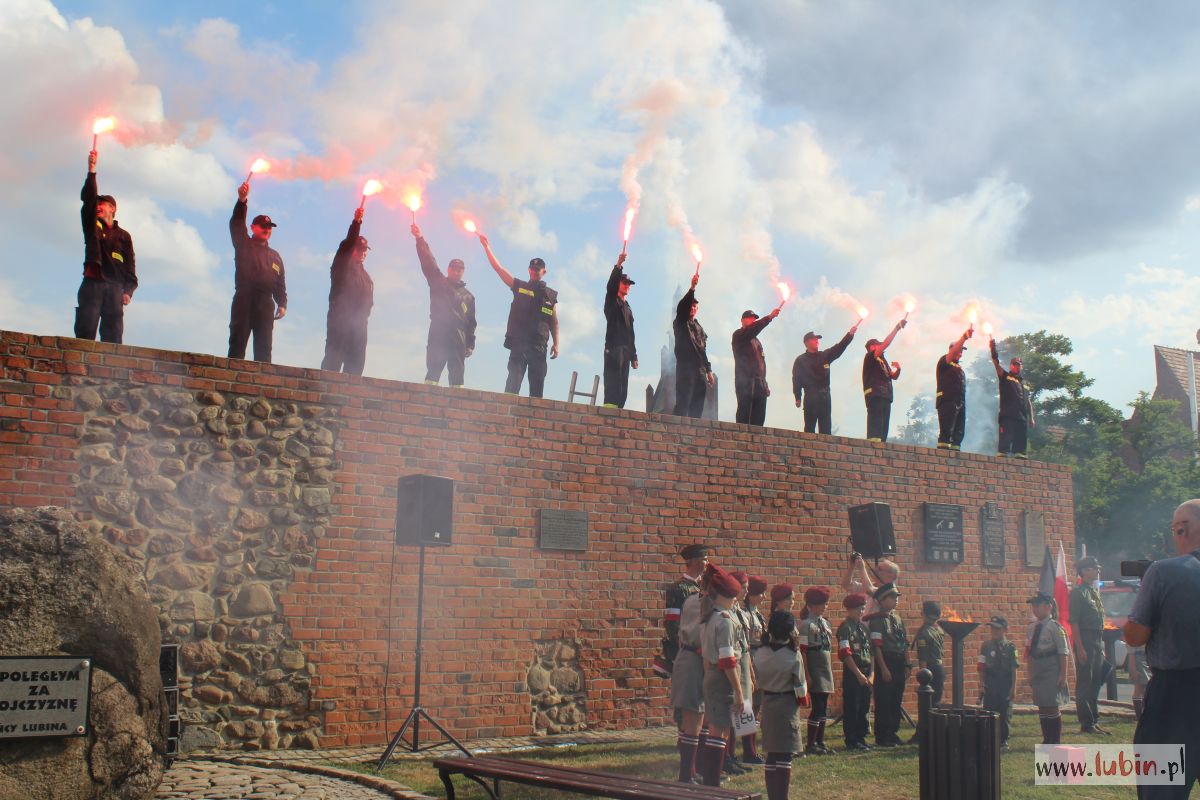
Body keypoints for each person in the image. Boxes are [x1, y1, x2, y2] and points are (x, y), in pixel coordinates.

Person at [1124, 498, 1200, 799]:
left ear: (1183, 529)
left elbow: (1136, 635)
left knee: (1162, 790)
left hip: (1175, 697)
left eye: (1175, 529)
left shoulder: (1163, 572)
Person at [479, 236, 558, 397]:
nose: (534, 271)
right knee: (512, 387)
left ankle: (534, 421)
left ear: (544, 271)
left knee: (536, 392)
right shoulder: (519, 286)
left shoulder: (550, 296)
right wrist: (487, 246)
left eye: (538, 269)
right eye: (532, 268)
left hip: (539, 347)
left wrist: (556, 344)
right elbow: (499, 269)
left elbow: (554, 322)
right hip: (519, 344)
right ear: (529, 270)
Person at [76, 149, 137, 344]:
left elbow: (130, 267)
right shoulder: (91, 225)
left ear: (113, 208)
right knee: (86, 330)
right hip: (93, 283)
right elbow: (88, 200)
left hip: (114, 290)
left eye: (103, 203)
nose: (98, 206)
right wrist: (92, 170)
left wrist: (128, 291)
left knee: (113, 336)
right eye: (97, 203)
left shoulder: (124, 236)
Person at [699, 564, 748, 786]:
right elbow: (728, 660)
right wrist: (738, 691)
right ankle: (712, 778)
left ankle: (711, 774)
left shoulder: (710, 617)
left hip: (712, 673)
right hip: (723, 677)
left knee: (719, 728)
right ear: (727, 596)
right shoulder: (725, 621)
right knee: (720, 730)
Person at [228, 181, 286, 362]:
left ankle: (262, 386)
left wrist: (282, 303)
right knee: (237, 344)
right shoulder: (243, 244)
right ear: (253, 228)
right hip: (244, 299)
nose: (266, 230)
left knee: (264, 349)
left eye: (269, 228)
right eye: (263, 226)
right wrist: (242, 200)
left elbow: (280, 283)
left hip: (265, 303)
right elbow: (237, 223)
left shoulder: (275, 257)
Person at [753, 611, 808, 800]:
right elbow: (800, 688)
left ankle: (772, 796)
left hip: (767, 702)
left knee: (771, 754)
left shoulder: (760, 652)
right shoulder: (793, 655)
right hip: (786, 704)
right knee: (785, 755)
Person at [412, 224, 476, 386]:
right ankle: (427, 404)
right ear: (448, 269)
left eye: (460, 268)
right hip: (439, 332)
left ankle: (456, 409)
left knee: (457, 376)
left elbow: (471, 322)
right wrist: (420, 239)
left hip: (459, 336)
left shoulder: (469, 296)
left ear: (464, 271)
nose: (456, 271)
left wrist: (470, 343)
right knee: (433, 371)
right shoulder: (438, 282)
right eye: (453, 268)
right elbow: (428, 262)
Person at [669, 547, 710, 784]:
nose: (707, 561)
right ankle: (687, 765)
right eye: (704, 558)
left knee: (700, 711)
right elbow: (672, 622)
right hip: (687, 652)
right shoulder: (680, 589)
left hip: (701, 652)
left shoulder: (701, 589)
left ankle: (697, 765)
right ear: (693, 561)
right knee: (687, 710)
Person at [320, 208, 374, 375]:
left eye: (365, 250)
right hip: (340, 321)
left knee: (356, 364)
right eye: (359, 249)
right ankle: (325, 395)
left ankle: (349, 398)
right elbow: (347, 245)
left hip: (359, 326)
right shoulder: (341, 266)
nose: (363, 252)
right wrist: (356, 223)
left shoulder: (366, 276)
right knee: (333, 361)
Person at [791, 323, 860, 434]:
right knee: (809, 429)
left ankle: (825, 450)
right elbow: (796, 379)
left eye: (818, 339)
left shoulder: (824, 356)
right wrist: (797, 396)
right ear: (807, 342)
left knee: (826, 429)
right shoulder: (800, 360)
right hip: (811, 396)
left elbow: (839, 347)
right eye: (814, 339)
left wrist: (850, 334)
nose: (817, 341)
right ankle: (808, 450)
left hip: (825, 397)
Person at [1068, 555, 1109, 734]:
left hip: (1097, 640)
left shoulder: (1092, 591)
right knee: (1085, 682)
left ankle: (1094, 718)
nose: (1097, 570)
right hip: (1085, 639)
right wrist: (1080, 647)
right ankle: (1086, 722)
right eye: (1094, 567)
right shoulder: (1078, 592)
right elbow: (1074, 622)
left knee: (1096, 680)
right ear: (1084, 571)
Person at [1026, 592, 1069, 744]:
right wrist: (1029, 672)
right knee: (1042, 705)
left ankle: (1055, 739)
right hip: (1038, 667)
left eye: (1038, 605)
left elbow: (1063, 652)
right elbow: (1029, 652)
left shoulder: (1055, 627)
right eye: (1033, 606)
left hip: (1051, 667)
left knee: (1051, 705)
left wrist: (1063, 675)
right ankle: (1046, 738)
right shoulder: (1032, 628)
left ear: (1049, 606)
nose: (1034, 609)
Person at [868, 582, 909, 747]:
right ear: (882, 600)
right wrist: (883, 668)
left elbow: (904, 642)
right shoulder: (877, 620)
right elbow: (877, 646)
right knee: (884, 699)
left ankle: (893, 732)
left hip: (899, 660)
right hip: (886, 659)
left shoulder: (897, 618)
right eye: (892, 597)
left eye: (896, 597)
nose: (895, 600)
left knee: (896, 698)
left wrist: (908, 663)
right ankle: (883, 735)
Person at [798, 587, 834, 756]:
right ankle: (811, 743)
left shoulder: (825, 623)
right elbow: (803, 650)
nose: (824, 607)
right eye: (821, 604)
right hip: (814, 664)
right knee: (818, 705)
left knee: (823, 705)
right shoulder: (805, 624)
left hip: (825, 664)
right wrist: (807, 673)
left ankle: (820, 740)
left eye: (825, 604)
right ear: (811, 605)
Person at [732, 306, 781, 426]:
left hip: (759, 383)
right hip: (745, 381)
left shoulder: (757, 342)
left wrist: (765, 383)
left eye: (754, 319)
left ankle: (757, 442)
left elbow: (761, 364)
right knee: (744, 413)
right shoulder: (739, 335)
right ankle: (741, 440)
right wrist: (769, 317)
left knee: (759, 416)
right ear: (742, 320)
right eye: (749, 318)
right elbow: (752, 330)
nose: (752, 321)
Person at [673, 274, 713, 418]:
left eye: (695, 306)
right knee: (683, 404)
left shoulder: (700, 328)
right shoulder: (681, 321)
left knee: (697, 407)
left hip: (700, 372)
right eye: (690, 305)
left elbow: (703, 350)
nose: (692, 308)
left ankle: (694, 436)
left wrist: (708, 371)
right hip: (686, 369)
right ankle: (675, 434)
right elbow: (682, 307)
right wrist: (692, 288)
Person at [837, 593, 873, 752]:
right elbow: (845, 653)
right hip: (854, 671)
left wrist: (871, 674)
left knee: (864, 706)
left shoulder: (864, 628)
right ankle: (851, 739)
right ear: (850, 609)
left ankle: (861, 736)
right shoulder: (845, 628)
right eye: (858, 609)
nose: (861, 611)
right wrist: (858, 674)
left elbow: (871, 652)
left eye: (863, 608)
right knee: (853, 706)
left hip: (866, 671)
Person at [861, 320, 907, 442]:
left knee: (883, 430)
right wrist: (897, 328)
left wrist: (898, 369)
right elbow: (887, 343)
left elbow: (893, 376)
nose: (881, 347)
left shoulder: (883, 360)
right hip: (875, 395)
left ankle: (881, 448)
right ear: (872, 347)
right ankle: (872, 449)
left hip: (886, 395)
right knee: (875, 429)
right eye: (878, 345)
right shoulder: (870, 357)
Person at [977, 615, 1018, 749]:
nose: (994, 631)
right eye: (992, 628)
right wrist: (982, 684)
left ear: (1005, 630)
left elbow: (1013, 668)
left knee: (1004, 711)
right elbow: (981, 666)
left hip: (1005, 682)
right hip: (991, 681)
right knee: (989, 710)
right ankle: (989, 738)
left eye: (997, 629)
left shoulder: (1010, 647)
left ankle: (1003, 740)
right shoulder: (986, 646)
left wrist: (1013, 687)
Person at [989, 339, 1035, 457]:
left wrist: (1031, 418)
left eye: (1019, 365)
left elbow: (1028, 400)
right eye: (1015, 364)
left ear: (1021, 367)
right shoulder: (1006, 377)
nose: (1017, 367)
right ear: (1011, 365)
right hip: (1008, 415)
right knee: (1004, 447)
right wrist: (993, 350)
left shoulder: (1024, 382)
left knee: (1020, 451)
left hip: (1022, 417)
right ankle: (1002, 455)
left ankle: (1019, 457)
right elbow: (996, 364)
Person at [602, 253, 637, 407]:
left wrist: (634, 355)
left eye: (629, 284)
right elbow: (610, 286)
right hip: (613, 348)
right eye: (624, 282)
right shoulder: (611, 300)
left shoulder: (628, 308)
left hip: (626, 352)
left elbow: (631, 334)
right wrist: (618, 265)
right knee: (612, 387)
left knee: (623, 389)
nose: (627, 285)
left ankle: (619, 419)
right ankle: (608, 417)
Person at [742, 576, 769, 766]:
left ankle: (751, 747)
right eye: (760, 593)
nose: (763, 597)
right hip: (751, 657)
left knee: (756, 705)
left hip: (760, 659)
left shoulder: (757, 613)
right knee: (747, 707)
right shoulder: (745, 612)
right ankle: (747, 749)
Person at [935, 328, 973, 450]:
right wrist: (964, 337)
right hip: (947, 401)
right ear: (951, 350)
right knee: (946, 431)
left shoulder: (959, 368)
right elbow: (950, 355)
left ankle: (956, 453)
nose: (961, 352)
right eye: (959, 350)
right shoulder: (944, 362)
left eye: (962, 351)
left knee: (958, 432)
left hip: (960, 402)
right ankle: (942, 457)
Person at [913, 601, 945, 708]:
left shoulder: (924, 633)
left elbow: (923, 657)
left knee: (926, 702)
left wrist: (923, 678)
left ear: (925, 614)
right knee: (936, 701)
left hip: (929, 670)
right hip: (940, 668)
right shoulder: (939, 630)